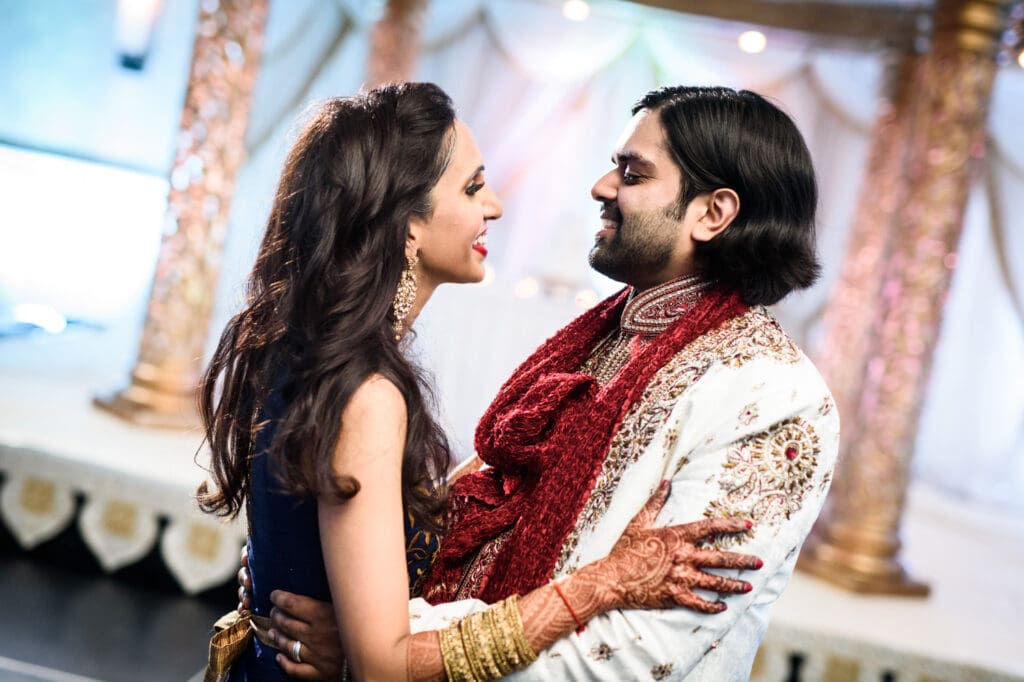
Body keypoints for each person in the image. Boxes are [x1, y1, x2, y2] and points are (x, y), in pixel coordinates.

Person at [262, 85, 841, 681]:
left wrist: (387, 652)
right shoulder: (600, 339)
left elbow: (637, 653)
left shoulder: (774, 396)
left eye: (632, 174)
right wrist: (375, 635)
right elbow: (475, 508)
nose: (601, 187)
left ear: (713, 214)